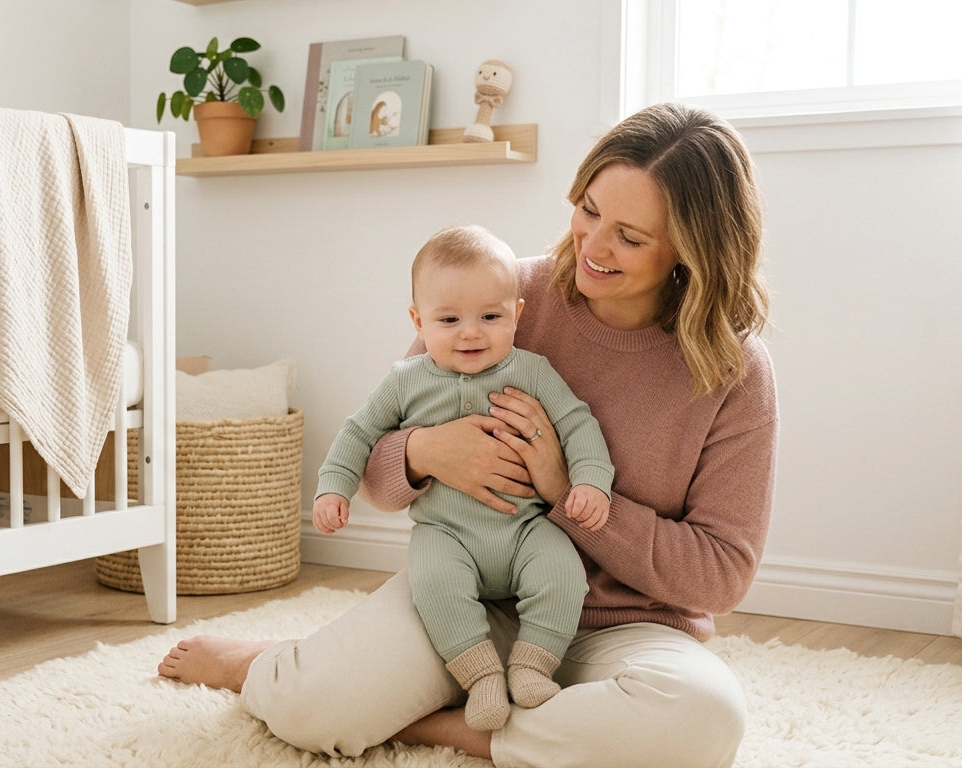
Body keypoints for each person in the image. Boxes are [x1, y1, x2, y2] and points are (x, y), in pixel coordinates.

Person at [158, 101, 777, 768]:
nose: (593, 248)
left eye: (630, 237)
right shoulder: (505, 296)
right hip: (473, 598)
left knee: (703, 722)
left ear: (693, 247)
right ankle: (275, 663)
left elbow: (721, 575)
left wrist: (569, 494)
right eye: (589, 209)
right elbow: (375, 458)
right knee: (314, 707)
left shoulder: (732, 370)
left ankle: (443, 727)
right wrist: (424, 454)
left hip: (631, 631)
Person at [312, 224, 614, 731]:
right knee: (434, 585)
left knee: (564, 573)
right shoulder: (406, 379)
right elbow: (359, 433)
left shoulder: (533, 370)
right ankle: (481, 678)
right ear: (418, 321)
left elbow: (579, 423)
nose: (470, 332)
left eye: (490, 317)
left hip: (525, 528)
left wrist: (589, 481)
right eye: (449, 319)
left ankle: (531, 664)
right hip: (445, 534)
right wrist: (331, 487)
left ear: (517, 315)